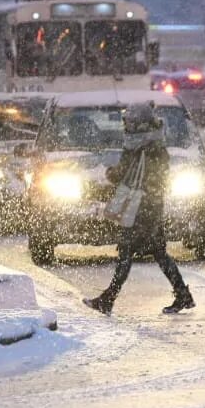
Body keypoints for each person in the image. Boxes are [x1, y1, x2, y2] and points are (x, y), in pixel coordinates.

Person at [84, 103, 194, 315]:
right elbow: (159, 178)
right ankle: (182, 295)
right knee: (159, 253)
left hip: (139, 208)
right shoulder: (156, 145)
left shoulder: (137, 148)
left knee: (126, 251)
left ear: (137, 124)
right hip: (153, 205)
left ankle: (108, 299)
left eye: (129, 122)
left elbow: (122, 174)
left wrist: (109, 173)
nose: (126, 126)